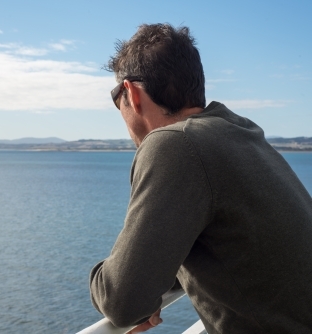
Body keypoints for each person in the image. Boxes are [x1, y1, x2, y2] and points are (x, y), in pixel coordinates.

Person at [89, 23, 312, 334]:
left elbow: (122, 301)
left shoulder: (174, 145)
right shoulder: (241, 131)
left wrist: (108, 278)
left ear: (131, 93)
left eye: (117, 100)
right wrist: (153, 275)